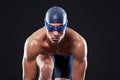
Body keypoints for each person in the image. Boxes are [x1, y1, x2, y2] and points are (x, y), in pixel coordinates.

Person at [22, 6, 87, 80]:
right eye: (51, 28)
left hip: (65, 56)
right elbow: (28, 78)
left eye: (60, 28)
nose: (55, 33)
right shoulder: (34, 43)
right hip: (45, 54)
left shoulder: (78, 44)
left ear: (66, 26)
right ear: (45, 25)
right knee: (46, 67)